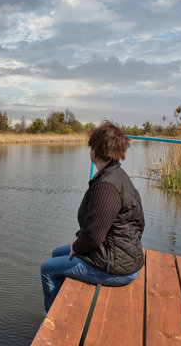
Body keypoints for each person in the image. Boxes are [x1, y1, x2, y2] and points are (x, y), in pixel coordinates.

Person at [40, 121, 145, 313]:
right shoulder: (117, 175)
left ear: (95, 150)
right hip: (122, 255)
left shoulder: (107, 186)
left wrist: (77, 246)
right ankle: (65, 304)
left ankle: (53, 319)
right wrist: (80, 243)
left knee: (47, 268)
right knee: (57, 253)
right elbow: (138, 224)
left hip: (117, 267)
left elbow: (94, 237)